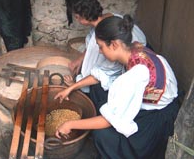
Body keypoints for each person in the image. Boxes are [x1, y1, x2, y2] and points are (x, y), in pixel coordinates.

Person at [54, 15, 179, 159]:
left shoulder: (135, 76)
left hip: (157, 117)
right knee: (98, 89)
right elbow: (100, 75)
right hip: (149, 98)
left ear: (114, 45)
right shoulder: (133, 49)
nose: (100, 51)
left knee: (102, 135)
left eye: (101, 47)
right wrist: (71, 88)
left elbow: (108, 121)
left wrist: (70, 124)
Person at [66, 0, 146, 111]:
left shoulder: (109, 41)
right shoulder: (108, 19)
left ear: (81, 17)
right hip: (136, 56)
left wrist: (74, 86)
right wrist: (80, 59)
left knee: (96, 91)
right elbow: (92, 46)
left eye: (76, 17)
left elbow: (101, 74)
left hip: (129, 70)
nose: (99, 50)